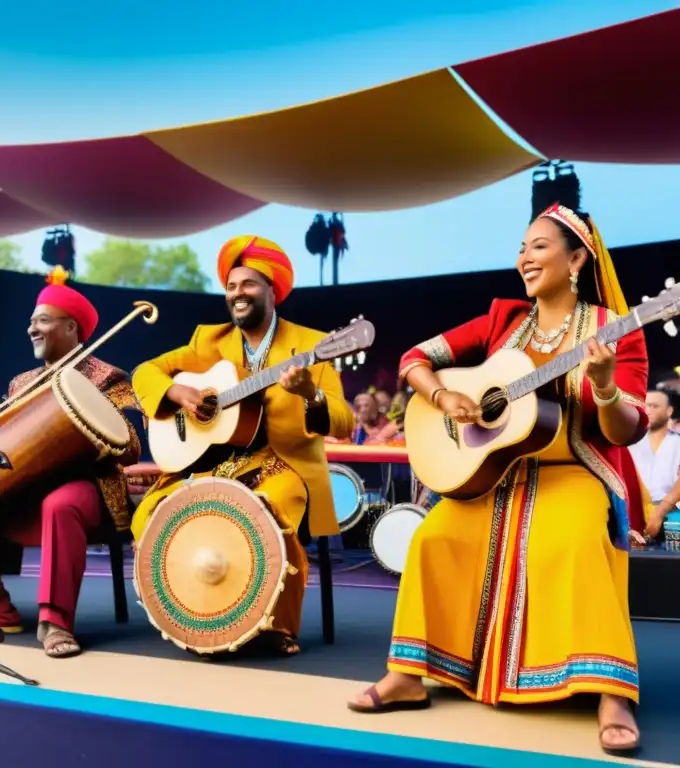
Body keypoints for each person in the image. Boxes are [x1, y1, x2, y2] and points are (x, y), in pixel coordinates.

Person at [348, 204, 647, 757]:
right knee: (435, 537)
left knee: (576, 543)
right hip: (492, 475)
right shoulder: (501, 322)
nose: (524, 259)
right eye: (521, 248)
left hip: (570, 471)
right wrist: (444, 395)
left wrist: (603, 386)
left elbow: (626, 429)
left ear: (577, 257)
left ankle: (611, 693)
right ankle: (409, 675)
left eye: (538, 246)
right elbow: (417, 357)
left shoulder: (615, 332)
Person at [131, 235, 355, 656]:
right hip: (213, 462)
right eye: (232, 287)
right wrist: (177, 394)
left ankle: (276, 624)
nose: (237, 294)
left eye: (249, 285)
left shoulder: (312, 346)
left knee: (270, 506)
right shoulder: (208, 343)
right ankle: (193, 610)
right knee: (150, 512)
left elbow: (344, 422)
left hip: (284, 465)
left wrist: (312, 395)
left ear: (273, 291)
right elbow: (146, 371)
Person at [0, 267, 141, 657]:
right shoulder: (22, 383)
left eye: (42, 321)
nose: (32, 329)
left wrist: (85, 428)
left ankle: (54, 622)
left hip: (89, 491)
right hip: (27, 489)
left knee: (60, 503)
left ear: (72, 328)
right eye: (31, 322)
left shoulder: (107, 378)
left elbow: (130, 446)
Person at [633, 388, 680, 537]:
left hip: (673, 518)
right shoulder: (628, 444)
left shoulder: (677, 442)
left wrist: (660, 512)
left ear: (669, 411)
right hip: (633, 516)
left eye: (654, 406)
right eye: (645, 406)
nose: (648, 411)